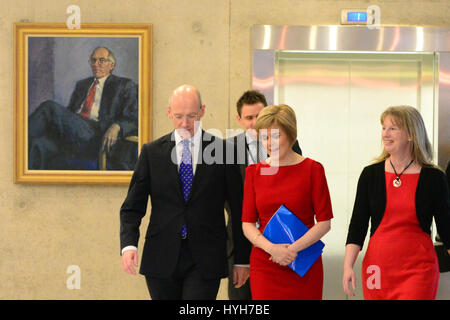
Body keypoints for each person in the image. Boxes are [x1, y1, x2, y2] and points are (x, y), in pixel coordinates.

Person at [120, 84, 251, 300]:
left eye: (191, 116)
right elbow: (132, 207)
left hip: (206, 258)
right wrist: (128, 244)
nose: (185, 124)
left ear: (202, 111)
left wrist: (241, 260)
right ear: (169, 112)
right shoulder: (152, 153)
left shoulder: (224, 151)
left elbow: (239, 210)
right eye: (179, 116)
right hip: (161, 256)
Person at [343, 105, 450, 300]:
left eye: (393, 128)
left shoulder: (434, 178)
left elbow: (447, 228)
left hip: (419, 270)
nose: (385, 134)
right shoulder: (370, 174)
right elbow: (357, 225)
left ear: (411, 135)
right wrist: (348, 266)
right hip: (376, 269)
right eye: (384, 128)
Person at [241, 104, 333, 300]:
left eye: (275, 136)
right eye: (264, 137)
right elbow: (247, 224)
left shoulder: (313, 169)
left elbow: (325, 222)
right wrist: (272, 249)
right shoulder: (253, 172)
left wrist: (292, 250)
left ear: (291, 134)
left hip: (303, 262)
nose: (269, 143)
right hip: (265, 265)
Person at [225, 90, 302, 300]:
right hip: (242, 241)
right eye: (249, 118)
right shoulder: (227, 149)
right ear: (239, 119)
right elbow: (227, 200)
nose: (254, 123)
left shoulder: (289, 145)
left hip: (282, 238)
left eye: (259, 116)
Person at [28, 46, 138, 170]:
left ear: (111, 65)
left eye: (101, 60)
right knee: (37, 145)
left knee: (49, 107)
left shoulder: (124, 85)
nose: (96, 64)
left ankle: (18, 139)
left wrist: (117, 126)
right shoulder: (82, 85)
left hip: (97, 136)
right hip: (74, 134)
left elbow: (134, 118)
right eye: (93, 60)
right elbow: (68, 116)